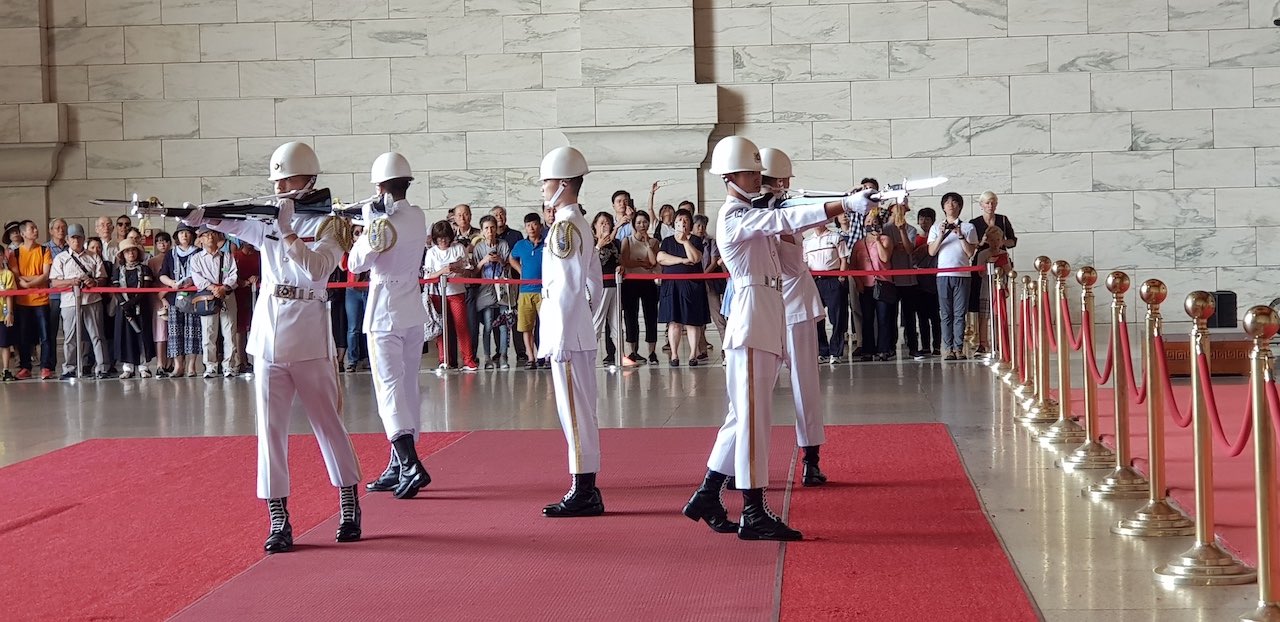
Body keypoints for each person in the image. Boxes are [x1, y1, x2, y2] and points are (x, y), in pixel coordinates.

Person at [683, 136, 866, 541]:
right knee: (753, 419)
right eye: (752, 172)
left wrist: (789, 214)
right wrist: (844, 205)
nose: (759, 178)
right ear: (730, 176)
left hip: (766, 316)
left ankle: (708, 493)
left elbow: (789, 263)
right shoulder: (733, 215)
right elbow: (777, 223)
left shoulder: (754, 213)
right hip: (751, 320)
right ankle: (753, 510)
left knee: (742, 416)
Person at [185, 141, 363, 553]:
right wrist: (201, 217)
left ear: (309, 180)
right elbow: (230, 224)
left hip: (309, 333)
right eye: (277, 180)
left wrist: (286, 230)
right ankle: (279, 517)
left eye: (287, 178)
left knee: (327, 423)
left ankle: (349, 502)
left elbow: (319, 267)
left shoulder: (330, 225)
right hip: (268, 337)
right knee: (269, 429)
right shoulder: (266, 220)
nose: (279, 185)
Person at [347, 151, 433, 500]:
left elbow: (357, 262)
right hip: (411, 308)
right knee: (408, 387)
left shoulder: (382, 223)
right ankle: (397, 464)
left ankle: (410, 463)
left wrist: (369, 225)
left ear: (381, 187)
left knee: (388, 390)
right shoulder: (417, 215)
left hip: (385, 312)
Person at [535, 146, 606, 518]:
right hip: (576, 329)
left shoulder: (565, 227)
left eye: (547, 180)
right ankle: (585, 485)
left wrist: (560, 335)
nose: (543, 187)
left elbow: (564, 287)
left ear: (563, 183)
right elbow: (591, 284)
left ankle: (584, 489)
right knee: (581, 410)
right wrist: (582, 315)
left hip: (567, 335)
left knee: (575, 412)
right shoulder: (575, 223)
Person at [758, 146, 829, 487]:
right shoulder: (750, 210)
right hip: (765, 305)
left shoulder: (786, 209)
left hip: (796, 304)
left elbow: (792, 263)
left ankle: (810, 458)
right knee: (754, 389)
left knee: (805, 384)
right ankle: (738, 462)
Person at [49, 223, 109, 380]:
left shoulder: (93, 256)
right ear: (68, 240)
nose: (76, 241)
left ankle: (102, 367)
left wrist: (94, 283)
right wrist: (71, 281)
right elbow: (54, 282)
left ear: (84, 239)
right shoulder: (61, 258)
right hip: (69, 302)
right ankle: (69, 367)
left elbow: (102, 277)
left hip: (92, 301)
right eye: (73, 238)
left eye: (79, 237)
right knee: (69, 337)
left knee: (97, 335)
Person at [423, 219, 479, 371]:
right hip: (437, 294)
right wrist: (443, 271)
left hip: (456, 292)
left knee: (461, 325)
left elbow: (468, 270)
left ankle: (468, 359)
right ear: (435, 239)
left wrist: (458, 269)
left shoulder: (459, 248)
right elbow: (428, 276)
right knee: (441, 328)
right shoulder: (431, 252)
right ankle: (443, 359)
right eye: (440, 238)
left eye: (446, 237)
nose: (443, 241)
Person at [928, 192, 978, 360]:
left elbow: (970, 253)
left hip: (963, 274)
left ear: (960, 206)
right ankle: (948, 348)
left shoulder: (968, 227)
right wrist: (942, 234)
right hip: (943, 275)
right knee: (945, 313)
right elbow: (931, 251)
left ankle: (958, 348)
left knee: (959, 313)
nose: (951, 205)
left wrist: (960, 235)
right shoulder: (936, 228)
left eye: (955, 202)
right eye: (947, 203)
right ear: (943, 207)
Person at [967, 191, 1017, 356]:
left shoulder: (1002, 220)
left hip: (1000, 275)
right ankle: (981, 341)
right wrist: (982, 244)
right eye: (987, 203)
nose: (990, 206)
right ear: (981, 205)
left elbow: (1012, 240)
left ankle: (1000, 340)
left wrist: (1001, 243)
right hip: (982, 271)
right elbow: (971, 246)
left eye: (993, 202)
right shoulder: (974, 223)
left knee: (998, 311)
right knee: (982, 309)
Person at [656, 208, 707, 366]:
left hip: (691, 286)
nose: (682, 223)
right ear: (674, 223)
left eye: (686, 221)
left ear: (690, 224)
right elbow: (661, 258)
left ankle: (693, 354)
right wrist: (681, 260)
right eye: (679, 220)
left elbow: (696, 258)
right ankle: (674, 355)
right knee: (674, 321)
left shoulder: (696, 240)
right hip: (671, 286)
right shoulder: (667, 241)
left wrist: (685, 241)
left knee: (692, 321)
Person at [191, 227, 239, 378]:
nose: (210, 237)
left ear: (218, 237)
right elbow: (197, 278)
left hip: (227, 295)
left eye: (213, 234)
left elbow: (233, 274)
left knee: (229, 331)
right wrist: (213, 288)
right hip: (208, 298)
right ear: (201, 239)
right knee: (209, 331)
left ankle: (229, 365)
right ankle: (210, 366)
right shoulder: (196, 258)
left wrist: (224, 288)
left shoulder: (227, 256)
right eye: (206, 235)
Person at [10, 221, 54, 380]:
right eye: (32, 228)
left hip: (41, 300)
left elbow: (45, 275)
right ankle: (25, 367)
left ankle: (45, 366)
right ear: (23, 234)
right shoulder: (14, 253)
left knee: (45, 336)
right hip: (22, 302)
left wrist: (27, 283)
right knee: (23, 336)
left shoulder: (44, 250)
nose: (35, 230)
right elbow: (16, 275)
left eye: (36, 227)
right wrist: (29, 282)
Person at [159, 226, 203, 378]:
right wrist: (171, 283)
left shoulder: (198, 252)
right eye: (181, 233)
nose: (184, 235)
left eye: (187, 233)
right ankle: (178, 366)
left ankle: (191, 366)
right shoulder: (171, 254)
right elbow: (162, 274)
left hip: (193, 296)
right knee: (175, 332)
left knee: (193, 331)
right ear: (177, 236)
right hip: (174, 297)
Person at [803, 219, 848, 364]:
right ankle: (822, 350)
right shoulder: (807, 241)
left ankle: (836, 352)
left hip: (832, 278)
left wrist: (841, 276)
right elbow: (805, 263)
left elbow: (843, 258)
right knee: (817, 317)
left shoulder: (835, 237)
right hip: (815, 281)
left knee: (837, 317)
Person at [620, 210, 659, 365]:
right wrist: (641, 263)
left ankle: (652, 352)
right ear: (634, 225)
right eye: (638, 222)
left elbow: (653, 262)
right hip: (630, 282)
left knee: (651, 317)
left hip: (648, 282)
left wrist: (647, 245)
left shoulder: (654, 242)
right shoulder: (627, 241)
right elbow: (625, 261)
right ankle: (632, 351)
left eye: (644, 222)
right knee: (631, 317)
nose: (642, 225)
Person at [473, 215, 513, 369]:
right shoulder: (479, 248)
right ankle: (488, 357)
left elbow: (508, 265)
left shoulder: (503, 245)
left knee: (503, 325)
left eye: (492, 228)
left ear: (496, 229)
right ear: (482, 231)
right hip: (485, 290)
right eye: (486, 228)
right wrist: (484, 261)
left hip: (502, 289)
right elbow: (475, 271)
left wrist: (500, 260)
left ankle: (503, 356)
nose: (490, 231)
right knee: (488, 325)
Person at [112, 239, 156, 378]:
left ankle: (143, 367)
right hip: (123, 309)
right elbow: (115, 289)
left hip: (141, 308)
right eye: (127, 251)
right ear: (122, 255)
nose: (130, 253)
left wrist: (131, 303)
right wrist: (123, 304)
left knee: (142, 336)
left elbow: (145, 289)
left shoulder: (145, 269)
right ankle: (128, 368)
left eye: (133, 250)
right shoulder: (118, 271)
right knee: (126, 337)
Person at [509, 212, 547, 370]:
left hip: (543, 291)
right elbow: (511, 258)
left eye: (534, 224)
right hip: (524, 291)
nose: (531, 228)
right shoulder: (520, 245)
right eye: (528, 225)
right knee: (526, 326)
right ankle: (530, 357)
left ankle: (545, 356)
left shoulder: (546, 244)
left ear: (540, 225)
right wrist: (521, 270)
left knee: (545, 326)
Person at [590, 212, 622, 366]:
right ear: (595, 225)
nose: (604, 225)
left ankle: (621, 355)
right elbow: (588, 263)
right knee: (597, 322)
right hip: (599, 287)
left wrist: (621, 267)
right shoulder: (591, 242)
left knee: (616, 323)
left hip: (615, 286)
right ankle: (589, 356)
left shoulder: (615, 243)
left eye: (607, 222)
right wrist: (598, 246)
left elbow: (618, 260)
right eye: (601, 222)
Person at [693, 214, 726, 363]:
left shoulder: (710, 242)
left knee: (718, 316)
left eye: (703, 226)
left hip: (708, 282)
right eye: (698, 225)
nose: (701, 229)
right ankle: (701, 350)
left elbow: (714, 262)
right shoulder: (690, 242)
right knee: (698, 319)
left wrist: (702, 275)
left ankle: (725, 348)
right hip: (693, 283)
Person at [912, 208, 942, 357]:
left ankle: (937, 345)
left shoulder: (937, 238)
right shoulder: (916, 239)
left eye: (927, 219)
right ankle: (925, 346)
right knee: (922, 317)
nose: (924, 222)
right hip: (919, 283)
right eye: (921, 219)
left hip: (935, 282)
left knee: (935, 316)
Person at [147, 232, 173, 377]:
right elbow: (150, 283)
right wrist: (160, 296)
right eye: (159, 242)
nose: (162, 244)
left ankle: (171, 362)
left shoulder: (174, 257)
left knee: (172, 331)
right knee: (160, 332)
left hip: (173, 297)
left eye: (165, 241)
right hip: (157, 299)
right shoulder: (152, 261)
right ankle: (160, 364)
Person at [0, 247, 15, 381]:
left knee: (4, 343)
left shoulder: (7, 274)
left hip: (3, 314)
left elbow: (9, 295)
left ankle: (6, 370)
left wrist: (9, 313)